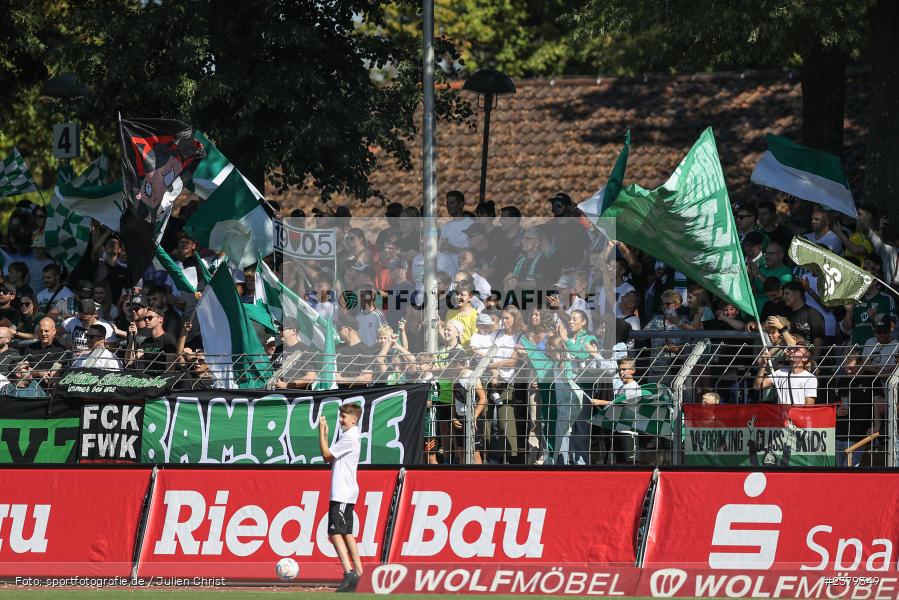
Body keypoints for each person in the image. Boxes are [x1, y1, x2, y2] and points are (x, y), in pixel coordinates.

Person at [318, 403, 363, 593]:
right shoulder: (351, 435)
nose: (341, 420)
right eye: (341, 416)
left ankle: (349, 572)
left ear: (354, 419)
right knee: (345, 533)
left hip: (342, 492)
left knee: (334, 532)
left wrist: (322, 433)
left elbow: (327, 455)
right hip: (344, 491)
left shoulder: (350, 436)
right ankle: (360, 573)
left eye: (344, 416)